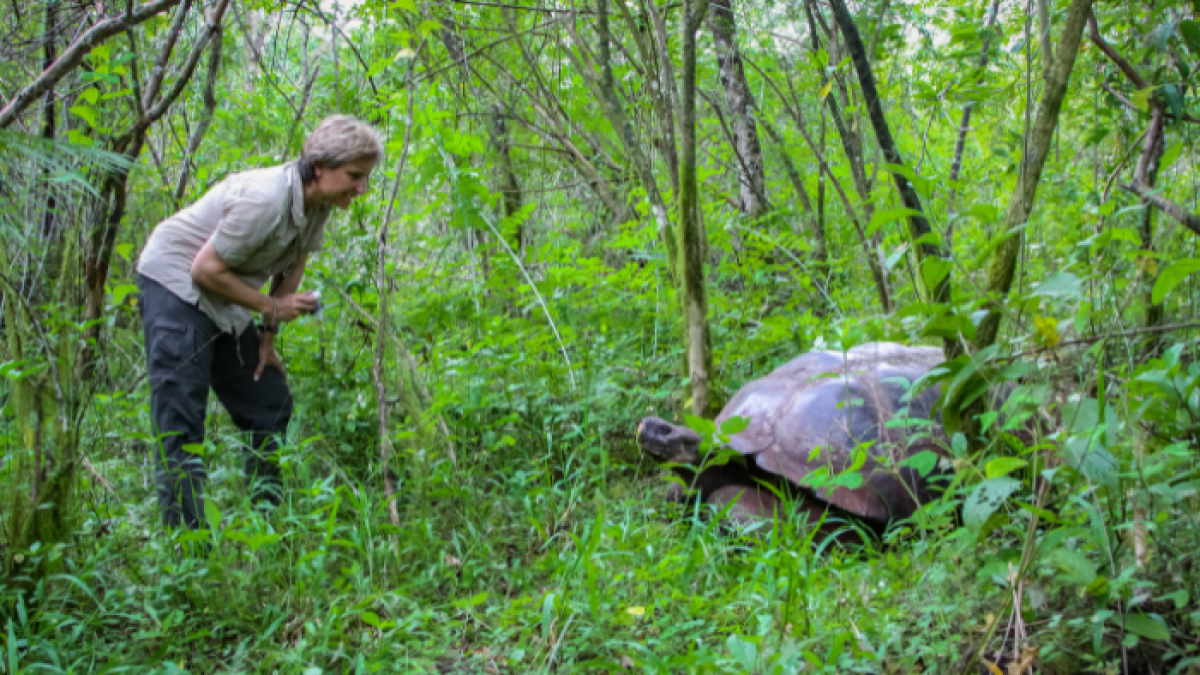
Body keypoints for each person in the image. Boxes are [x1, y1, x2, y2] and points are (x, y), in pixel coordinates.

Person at [136, 115, 382, 530]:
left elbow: (293, 266)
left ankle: (267, 527)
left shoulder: (317, 204)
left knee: (269, 401)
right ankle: (188, 559)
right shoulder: (266, 199)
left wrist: (268, 337)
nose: (362, 188)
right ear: (319, 167)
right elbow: (203, 270)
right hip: (176, 287)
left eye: (365, 177)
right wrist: (270, 308)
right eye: (355, 176)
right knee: (181, 425)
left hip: (224, 298)